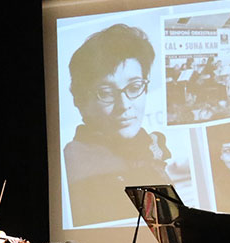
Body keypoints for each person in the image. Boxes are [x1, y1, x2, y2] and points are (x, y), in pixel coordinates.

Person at [63, 23, 169, 227]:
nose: (125, 105)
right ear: (80, 101)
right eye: (106, 92)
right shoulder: (79, 165)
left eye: (135, 86)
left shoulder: (146, 147)